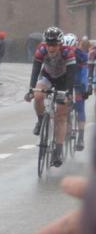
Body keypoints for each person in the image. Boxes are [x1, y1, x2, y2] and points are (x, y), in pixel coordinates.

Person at [25, 26, 76, 167]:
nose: (51, 48)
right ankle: (41, 121)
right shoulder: (41, 50)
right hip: (47, 76)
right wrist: (31, 89)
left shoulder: (68, 52)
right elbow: (35, 70)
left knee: (61, 115)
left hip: (63, 79)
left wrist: (69, 93)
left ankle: (58, 151)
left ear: (60, 44)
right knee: (38, 95)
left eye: (54, 45)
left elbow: (72, 75)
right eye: (48, 44)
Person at [66, 33, 89, 151]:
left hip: (78, 83)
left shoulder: (81, 56)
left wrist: (85, 87)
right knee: (66, 106)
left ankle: (80, 137)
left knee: (80, 108)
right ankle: (67, 130)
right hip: (66, 83)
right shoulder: (62, 54)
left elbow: (84, 72)